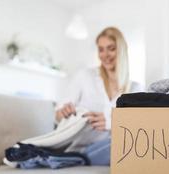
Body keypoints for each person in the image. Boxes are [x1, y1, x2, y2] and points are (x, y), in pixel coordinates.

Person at [54, 27, 143, 164]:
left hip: (112, 148)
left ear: (122, 50)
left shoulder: (135, 89)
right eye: (101, 49)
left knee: (129, 145)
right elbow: (58, 116)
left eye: (111, 48)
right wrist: (63, 112)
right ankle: (74, 159)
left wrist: (112, 123)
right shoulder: (85, 76)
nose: (105, 55)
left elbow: (138, 129)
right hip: (80, 147)